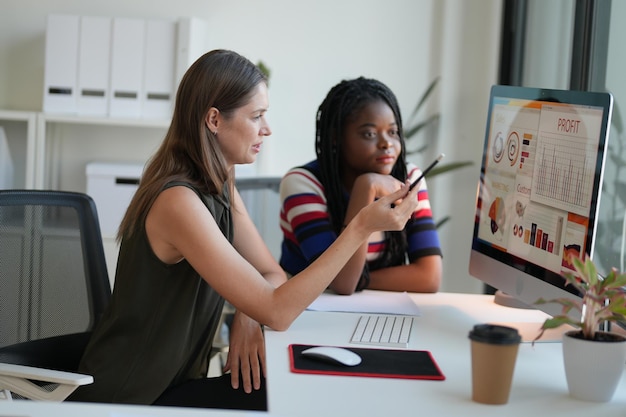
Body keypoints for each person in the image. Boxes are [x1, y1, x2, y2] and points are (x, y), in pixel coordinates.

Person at [68, 51, 419, 409]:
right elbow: (279, 312)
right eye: (257, 116)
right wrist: (360, 226)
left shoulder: (219, 184)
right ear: (214, 120)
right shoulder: (178, 202)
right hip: (129, 400)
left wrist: (248, 313)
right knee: (292, 394)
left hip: (173, 387)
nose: (267, 129)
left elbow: (271, 273)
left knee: (288, 383)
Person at [279, 77, 443, 295]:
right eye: (369, 134)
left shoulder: (409, 178)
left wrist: (361, 279)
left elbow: (429, 277)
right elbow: (343, 284)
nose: (386, 143)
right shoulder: (303, 183)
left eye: (393, 132)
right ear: (336, 138)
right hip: (306, 309)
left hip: (375, 310)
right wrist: (366, 187)